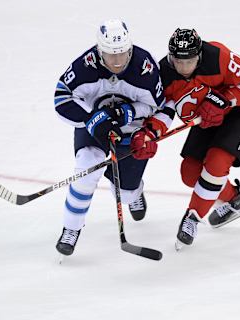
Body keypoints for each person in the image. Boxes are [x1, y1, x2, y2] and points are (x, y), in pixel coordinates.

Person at [133, 28, 240, 249]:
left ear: (200, 55)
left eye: (190, 61)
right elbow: (164, 109)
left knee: (216, 163)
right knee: (190, 173)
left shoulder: (218, 57)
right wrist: (149, 133)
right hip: (207, 114)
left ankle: (193, 217)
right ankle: (236, 199)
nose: (184, 68)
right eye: (178, 61)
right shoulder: (164, 74)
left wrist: (225, 99)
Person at [53, 19, 165, 256]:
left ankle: (133, 192)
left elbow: (157, 106)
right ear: (98, 50)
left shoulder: (144, 68)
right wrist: (91, 120)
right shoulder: (85, 66)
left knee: (124, 193)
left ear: (130, 48)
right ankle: (71, 229)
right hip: (92, 124)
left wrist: (130, 112)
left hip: (131, 129)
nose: (116, 61)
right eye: (110, 55)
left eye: (122, 54)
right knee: (85, 168)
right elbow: (61, 98)